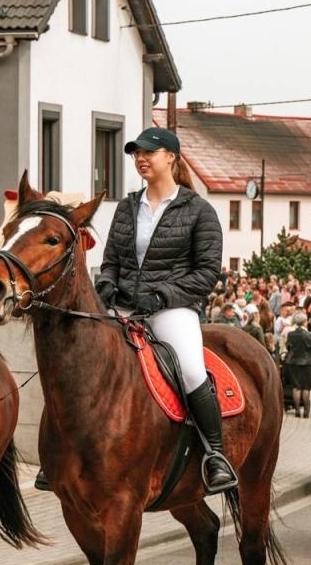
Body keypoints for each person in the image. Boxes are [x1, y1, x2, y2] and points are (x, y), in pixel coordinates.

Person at [94, 125, 236, 493]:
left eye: (148, 152)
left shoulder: (199, 211)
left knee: (190, 369)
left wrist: (162, 296)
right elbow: (111, 259)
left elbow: (206, 273)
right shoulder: (127, 207)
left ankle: (215, 454)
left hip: (171, 309)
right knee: (83, 359)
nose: (140, 159)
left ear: (171, 157)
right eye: (136, 153)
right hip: (125, 306)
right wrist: (106, 283)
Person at [283, 311, 311, 417]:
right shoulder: (309, 334)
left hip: (293, 362)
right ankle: (306, 412)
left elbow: (288, 347)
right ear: (304, 322)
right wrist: (307, 354)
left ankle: (297, 410)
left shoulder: (291, 334)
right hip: (307, 363)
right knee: (306, 387)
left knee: (296, 387)